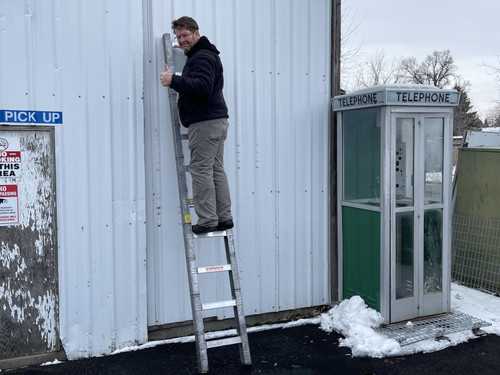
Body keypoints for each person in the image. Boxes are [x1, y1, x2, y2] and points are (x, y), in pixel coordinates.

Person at [160, 16, 233, 235]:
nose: (182, 39)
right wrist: (185, 51)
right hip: (216, 121)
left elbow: (202, 86)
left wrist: (173, 80)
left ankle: (208, 219)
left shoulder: (202, 57)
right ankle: (224, 217)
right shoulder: (204, 54)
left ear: (196, 33)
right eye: (179, 36)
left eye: (185, 35)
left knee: (200, 169)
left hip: (205, 123)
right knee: (215, 168)